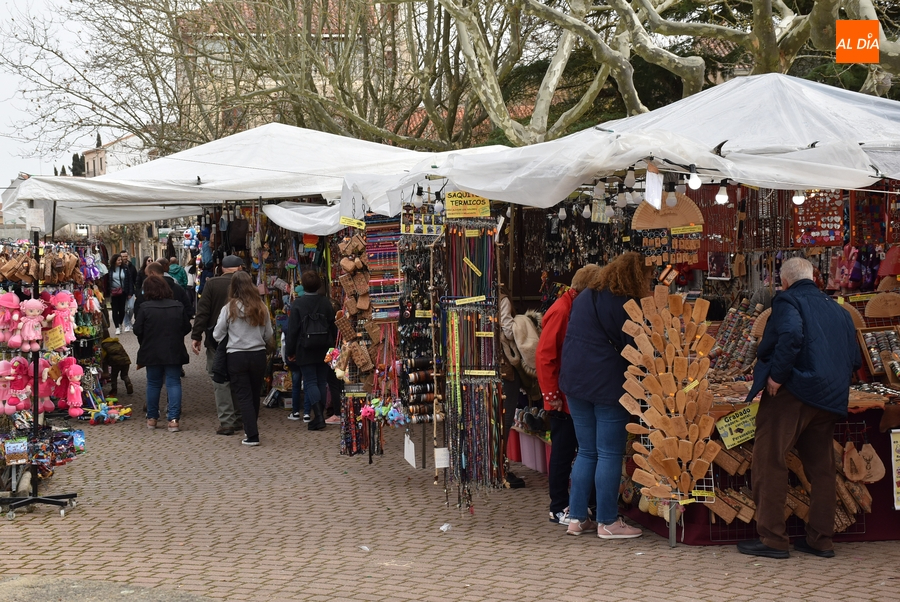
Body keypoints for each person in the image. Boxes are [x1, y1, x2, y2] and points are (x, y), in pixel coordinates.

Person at [738, 257, 861, 559]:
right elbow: (855, 358)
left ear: (785, 281)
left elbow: (792, 335)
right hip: (829, 398)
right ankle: (821, 539)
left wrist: (777, 377)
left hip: (794, 392)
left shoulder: (787, 301)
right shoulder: (838, 308)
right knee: (821, 469)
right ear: (814, 278)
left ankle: (773, 539)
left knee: (769, 461)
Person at [559, 252, 649, 539]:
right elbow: (636, 346)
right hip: (608, 385)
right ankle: (608, 522)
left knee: (586, 451)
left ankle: (575, 518)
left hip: (575, 382)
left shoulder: (585, 296)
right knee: (609, 453)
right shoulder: (625, 303)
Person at [535, 264, 601, 525]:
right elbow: (545, 355)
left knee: (576, 449)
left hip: (568, 392)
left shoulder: (570, 307)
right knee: (564, 450)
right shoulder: (563, 310)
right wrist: (551, 394)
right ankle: (558, 505)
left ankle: (575, 503)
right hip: (562, 396)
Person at [213, 270, 274, 446]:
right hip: (258, 354)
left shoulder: (229, 308)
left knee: (243, 395)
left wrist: (231, 338)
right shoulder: (261, 307)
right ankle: (251, 427)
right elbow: (268, 333)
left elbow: (218, 333)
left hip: (236, 355)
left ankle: (252, 434)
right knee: (254, 394)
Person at [191, 254, 244, 435]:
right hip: (242, 340)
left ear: (222, 268)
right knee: (237, 378)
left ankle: (227, 420)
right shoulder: (246, 283)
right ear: (240, 268)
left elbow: (203, 311)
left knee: (219, 379)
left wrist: (196, 335)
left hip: (217, 340)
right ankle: (238, 417)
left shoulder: (212, 284)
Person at [133, 274, 191, 432]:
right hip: (173, 349)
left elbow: (137, 329)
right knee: (173, 383)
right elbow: (187, 327)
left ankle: (152, 418)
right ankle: (173, 419)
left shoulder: (145, 308)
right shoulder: (178, 306)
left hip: (152, 350)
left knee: (153, 383)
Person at [284, 271, 336, 431]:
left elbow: (292, 330)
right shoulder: (325, 302)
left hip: (305, 348)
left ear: (303, 286)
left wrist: (290, 351)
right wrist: (333, 347)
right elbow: (333, 326)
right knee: (321, 381)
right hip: (323, 347)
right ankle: (319, 415)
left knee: (310, 381)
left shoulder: (298, 304)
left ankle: (319, 416)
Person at [108, 253, 135, 335]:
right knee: (115, 310)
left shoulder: (125, 268)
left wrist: (130, 292)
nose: (120, 261)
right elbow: (108, 281)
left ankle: (120, 323)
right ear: (114, 261)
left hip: (123, 292)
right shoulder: (110, 269)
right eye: (118, 260)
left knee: (122, 310)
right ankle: (117, 327)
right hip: (113, 292)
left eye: (121, 260)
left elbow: (129, 281)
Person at [101, 330, 133, 397]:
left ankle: (114, 390)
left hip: (116, 363)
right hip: (126, 361)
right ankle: (128, 383)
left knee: (114, 376)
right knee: (124, 375)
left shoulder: (104, 345)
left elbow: (103, 356)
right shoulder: (116, 342)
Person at [120, 251, 139, 332]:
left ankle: (129, 321)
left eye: (126, 256)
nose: (125, 258)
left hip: (131, 291)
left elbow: (135, 280)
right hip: (121, 292)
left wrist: (136, 291)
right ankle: (127, 324)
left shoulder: (132, 267)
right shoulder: (118, 267)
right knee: (124, 309)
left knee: (131, 307)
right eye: (123, 257)